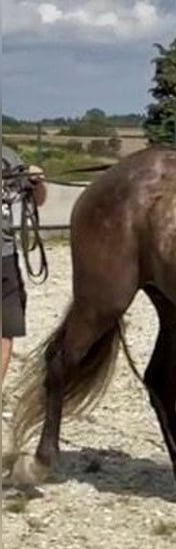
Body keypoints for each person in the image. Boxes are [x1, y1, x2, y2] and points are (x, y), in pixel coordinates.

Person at [2, 144, 47, 388]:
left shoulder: (7, 158)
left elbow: (37, 201)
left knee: (6, 329)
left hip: (6, 256)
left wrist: (37, 182)